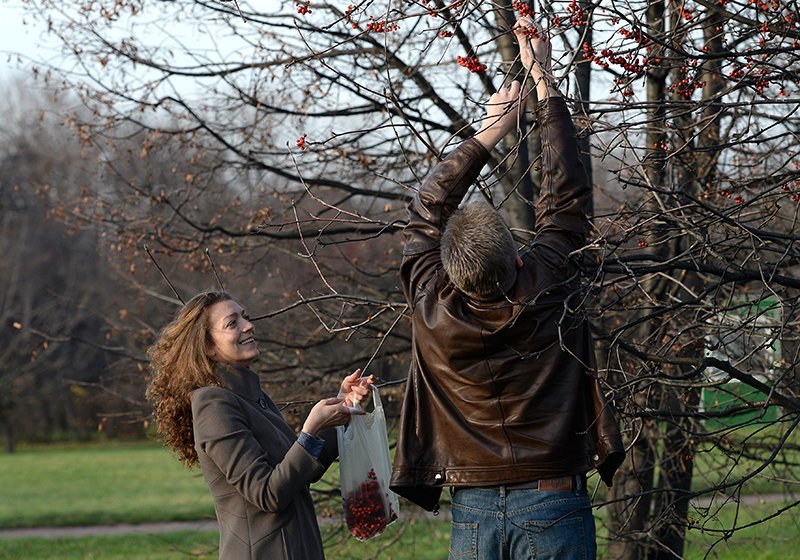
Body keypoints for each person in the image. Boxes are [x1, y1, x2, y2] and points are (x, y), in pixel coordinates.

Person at [389, 17, 625, 560]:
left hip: (471, 510)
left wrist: (488, 131)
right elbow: (566, 199)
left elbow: (424, 212)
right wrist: (544, 81)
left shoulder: (431, 302)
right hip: (553, 501)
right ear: (517, 256)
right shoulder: (544, 283)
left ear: (448, 267)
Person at [146, 290, 373, 560]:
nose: (248, 325)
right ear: (207, 347)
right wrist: (309, 431)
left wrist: (341, 409)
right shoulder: (213, 404)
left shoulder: (254, 398)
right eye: (232, 323)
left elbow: (299, 474)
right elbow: (267, 494)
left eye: (246, 317)